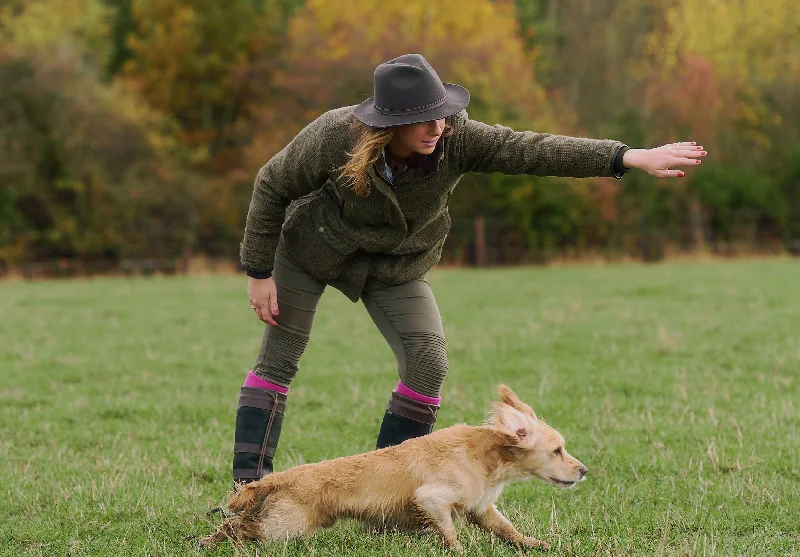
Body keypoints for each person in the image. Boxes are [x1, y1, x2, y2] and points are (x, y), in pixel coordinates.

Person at [232, 53, 706, 484]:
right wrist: (258, 271)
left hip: (397, 263)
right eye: (421, 119)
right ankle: (248, 493)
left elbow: (534, 150)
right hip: (311, 250)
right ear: (388, 124)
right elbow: (271, 184)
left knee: (429, 362)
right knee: (279, 360)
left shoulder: (458, 139)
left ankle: (389, 493)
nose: (435, 126)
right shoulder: (335, 137)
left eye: (439, 114)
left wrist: (627, 156)